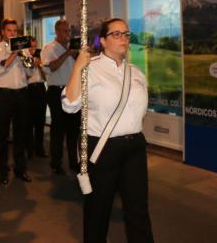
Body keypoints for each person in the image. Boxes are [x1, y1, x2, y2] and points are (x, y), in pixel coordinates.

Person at [62, 18, 154, 242]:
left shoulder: (136, 72)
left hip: (135, 147)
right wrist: (77, 68)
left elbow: (139, 110)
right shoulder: (90, 68)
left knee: (138, 210)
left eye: (126, 34)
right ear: (102, 41)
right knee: (98, 210)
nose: (123, 38)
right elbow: (69, 105)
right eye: (116, 34)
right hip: (103, 149)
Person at [0, 18, 34, 185]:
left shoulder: (25, 49)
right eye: (9, 31)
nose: (13, 33)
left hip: (21, 93)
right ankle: (2, 171)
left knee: (21, 134)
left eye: (15, 31)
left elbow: (30, 72)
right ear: (3, 32)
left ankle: (21, 170)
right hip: (3, 95)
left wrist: (27, 59)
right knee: (1, 135)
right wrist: (14, 53)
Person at [41, 19, 79, 174]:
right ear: (57, 31)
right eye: (65, 31)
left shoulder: (72, 48)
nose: (68, 34)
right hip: (56, 91)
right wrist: (67, 54)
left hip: (72, 90)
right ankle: (56, 163)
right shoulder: (49, 48)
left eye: (69, 31)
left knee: (73, 129)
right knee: (58, 129)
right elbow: (50, 68)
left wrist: (77, 55)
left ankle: (73, 161)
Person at [23, 37, 47, 159]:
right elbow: (24, 77)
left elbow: (46, 77)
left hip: (41, 88)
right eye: (31, 47)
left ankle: (40, 148)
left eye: (35, 46)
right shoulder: (25, 59)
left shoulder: (39, 59)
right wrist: (32, 64)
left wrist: (40, 65)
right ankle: (29, 149)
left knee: (40, 121)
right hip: (29, 90)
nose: (33, 49)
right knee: (28, 121)